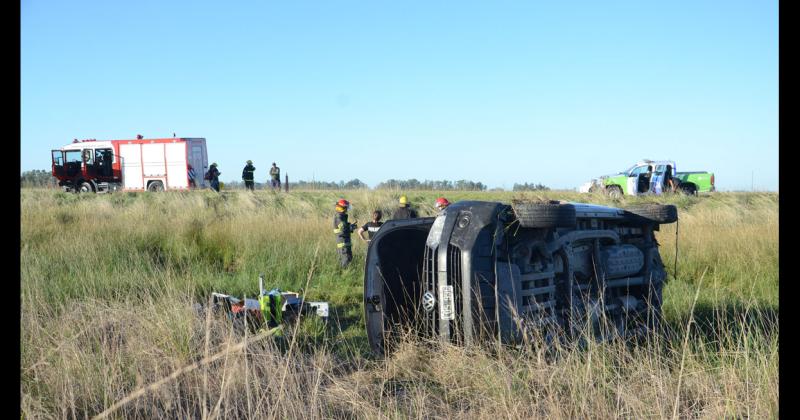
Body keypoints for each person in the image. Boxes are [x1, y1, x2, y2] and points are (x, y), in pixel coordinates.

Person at [333, 199, 358, 268]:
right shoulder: (339, 217)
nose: (347, 210)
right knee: (346, 262)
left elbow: (344, 227)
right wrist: (351, 228)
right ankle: (345, 275)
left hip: (344, 243)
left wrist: (350, 226)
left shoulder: (342, 216)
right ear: (343, 208)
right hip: (343, 243)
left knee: (347, 260)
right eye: (346, 208)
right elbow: (343, 230)